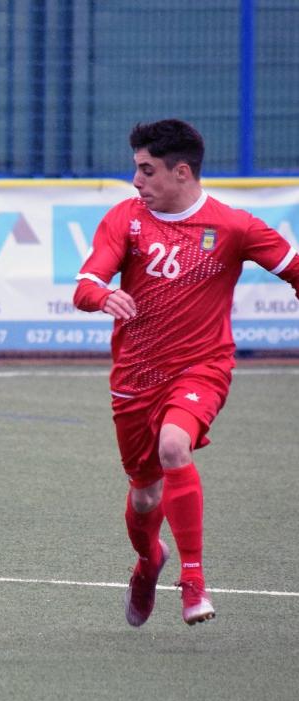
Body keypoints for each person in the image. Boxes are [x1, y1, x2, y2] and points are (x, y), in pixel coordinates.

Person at [74, 119, 299, 627]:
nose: (136, 180)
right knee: (144, 494)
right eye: (136, 168)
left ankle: (193, 581)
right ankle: (149, 560)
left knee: (174, 445)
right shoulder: (125, 220)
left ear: (181, 172)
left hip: (203, 367)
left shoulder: (234, 226)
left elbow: (295, 268)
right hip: (135, 377)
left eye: (146, 170)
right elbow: (86, 281)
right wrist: (103, 294)